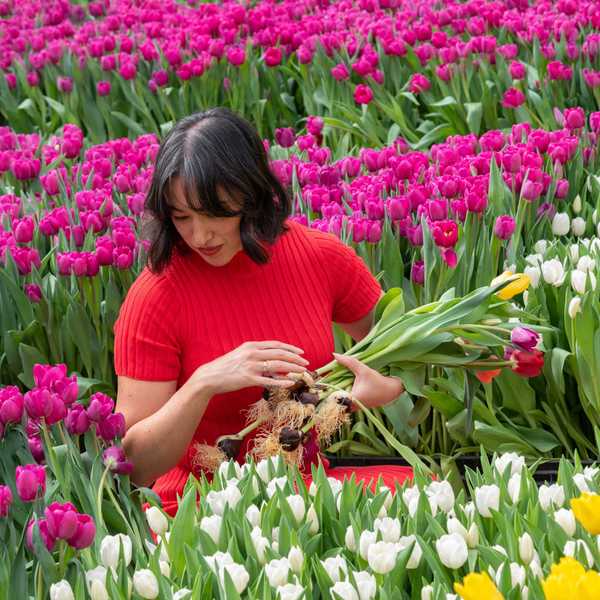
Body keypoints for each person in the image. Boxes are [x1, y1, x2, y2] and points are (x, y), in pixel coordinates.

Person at [114, 108, 413, 515]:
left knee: (424, 493)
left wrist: (373, 394)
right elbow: (134, 466)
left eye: (215, 213)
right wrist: (203, 383)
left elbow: (407, 357)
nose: (199, 235)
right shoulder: (156, 295)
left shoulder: (318, 258)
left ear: (251, 194)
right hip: (200, 505)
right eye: (182, 217)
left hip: (310, 489)